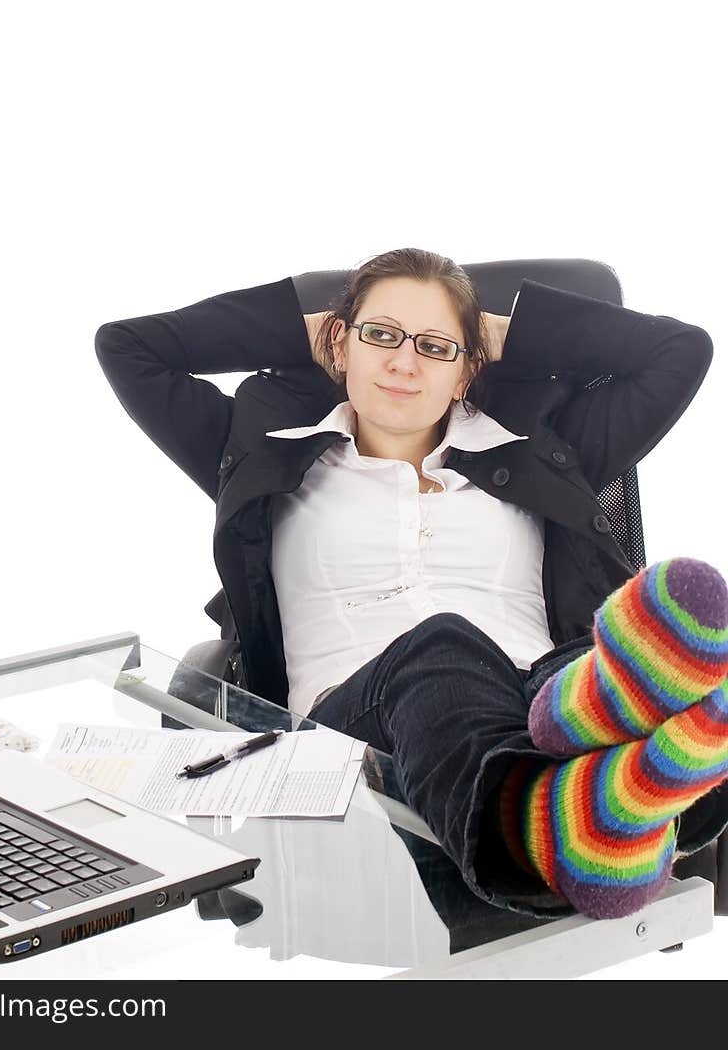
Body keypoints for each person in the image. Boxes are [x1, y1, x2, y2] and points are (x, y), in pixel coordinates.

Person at [94, 248, 728, 921]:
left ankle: (599, 805)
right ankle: (572, 811)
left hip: (536, 689)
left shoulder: (540, 446)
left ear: (467, 371)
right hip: (357, 731)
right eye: (381, 335)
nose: (404, 362)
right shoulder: (259, 447)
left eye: (434, 346)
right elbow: (129, 347)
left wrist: (491, 336)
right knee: (445, 646)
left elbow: (680, 351)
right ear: (341, 342)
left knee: (611, 667)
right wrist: (313, 331)